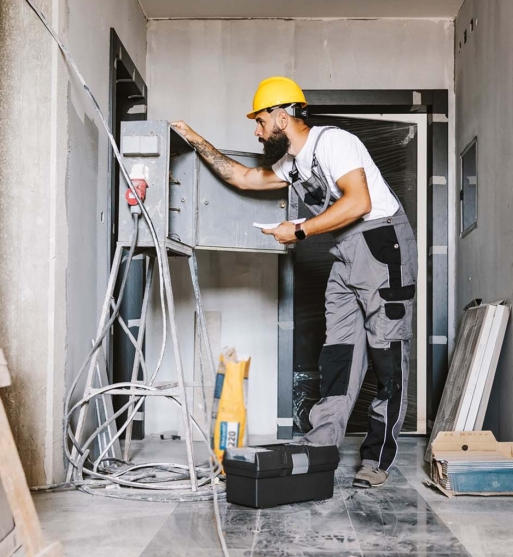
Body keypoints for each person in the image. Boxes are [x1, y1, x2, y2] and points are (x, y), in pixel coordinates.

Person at [172, 76, 417, 488]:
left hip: (381, 244)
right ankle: (321, 445)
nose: (256, 130)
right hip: (344, 253)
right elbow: (243, 178)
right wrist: (195, 138)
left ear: (282, 117)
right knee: (338, 354)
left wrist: (300, 230)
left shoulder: (333, 143)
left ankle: (377, 459)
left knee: (387, 355)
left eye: (260, 120)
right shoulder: (290, 163)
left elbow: (360, 202)